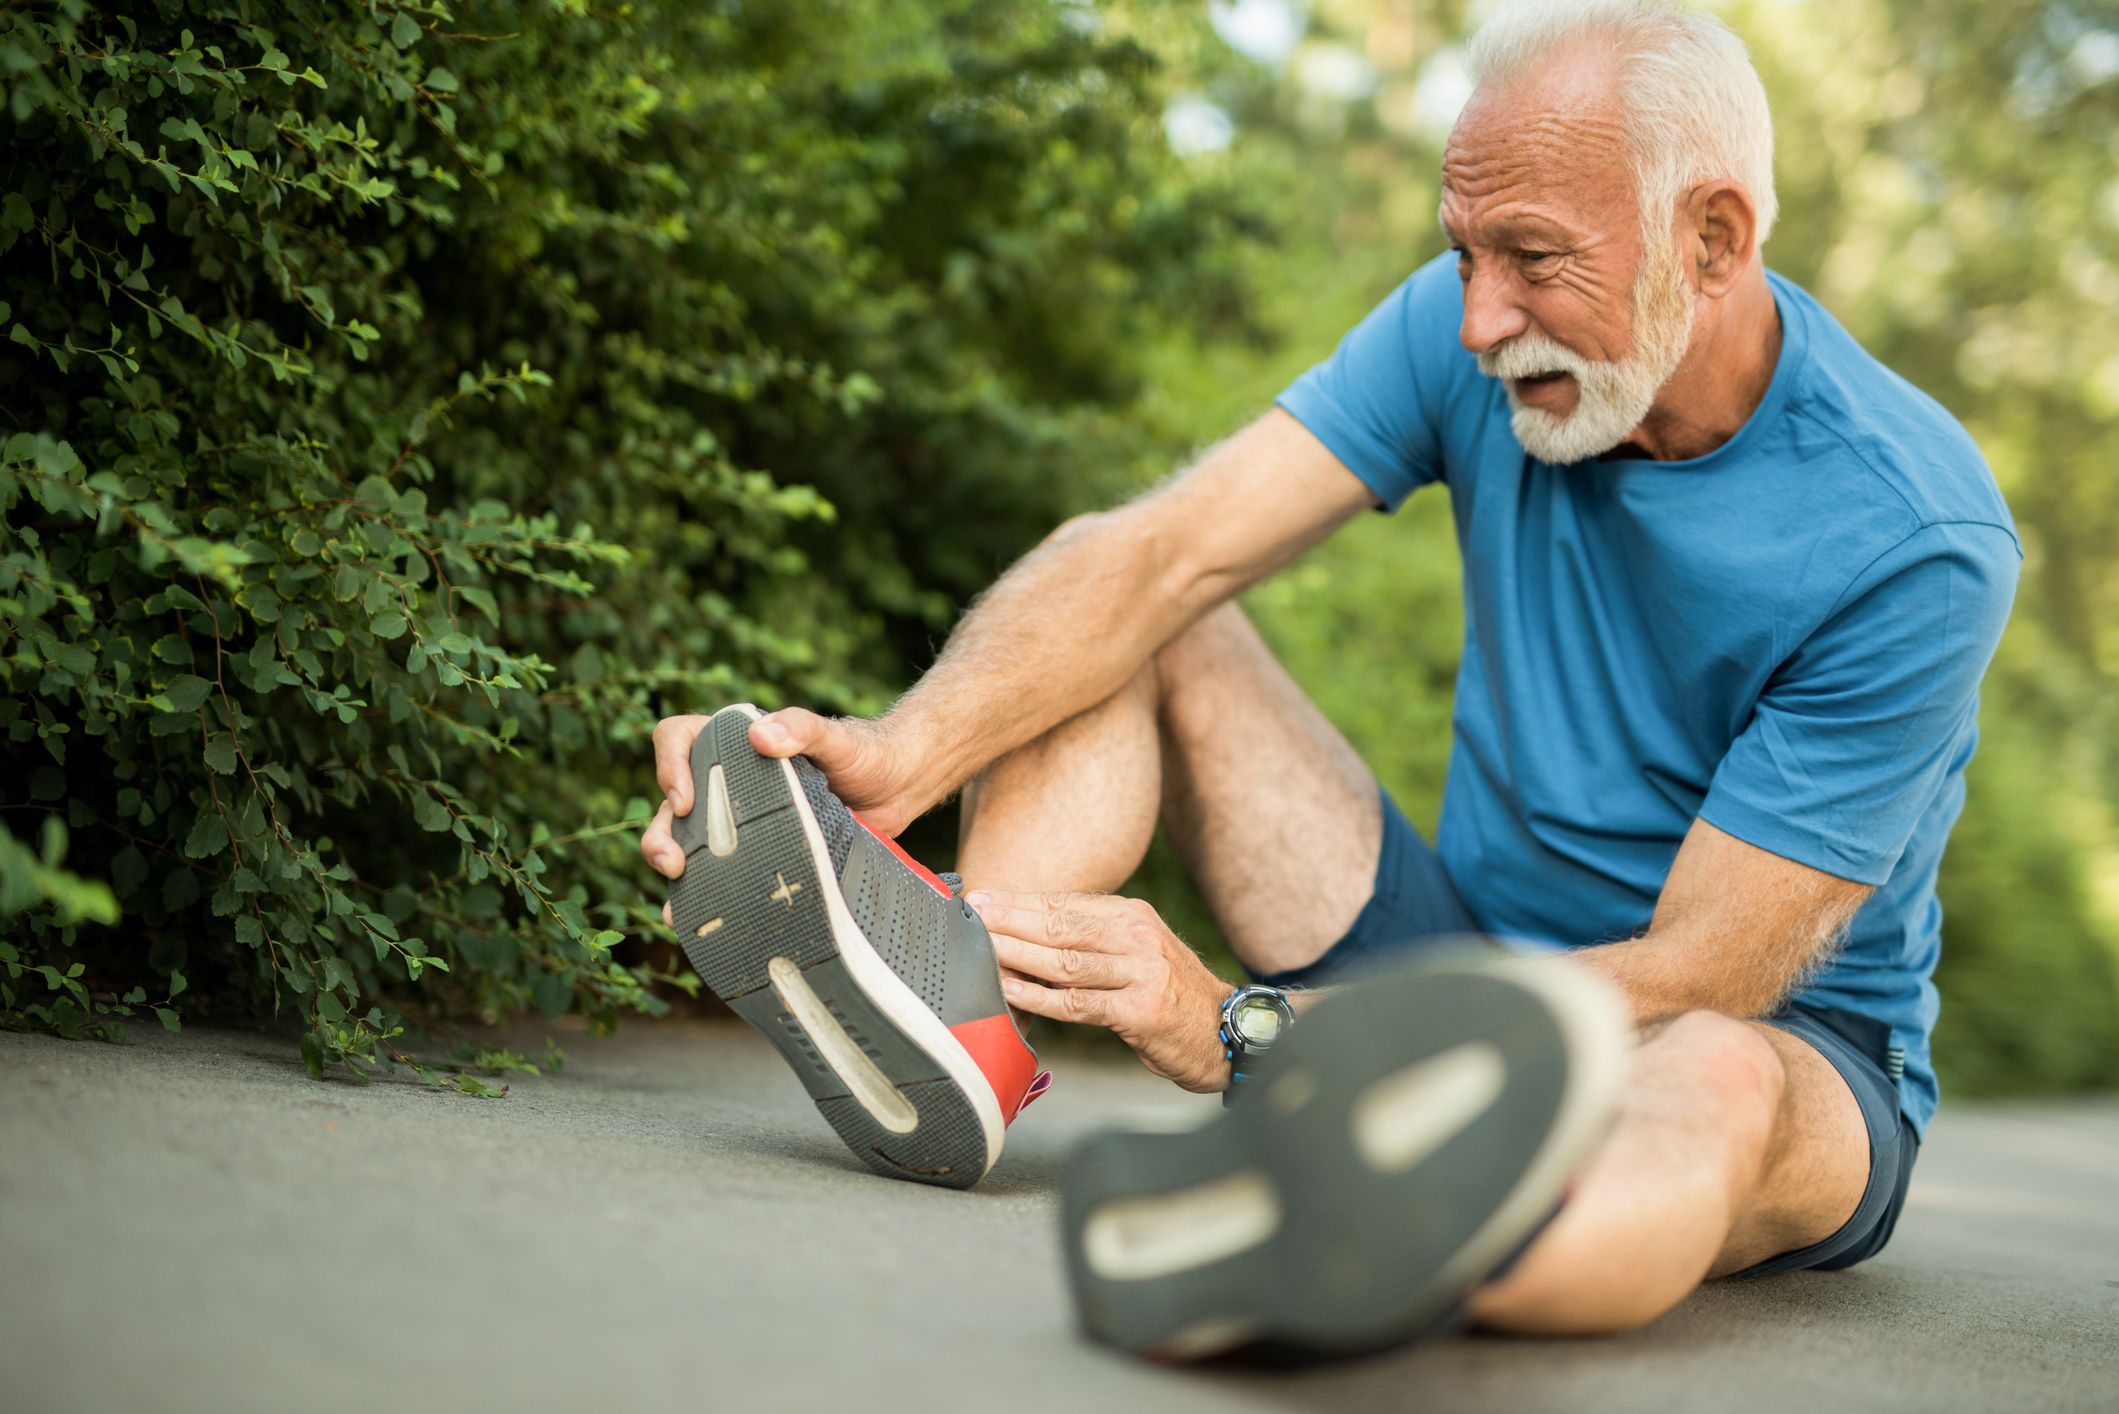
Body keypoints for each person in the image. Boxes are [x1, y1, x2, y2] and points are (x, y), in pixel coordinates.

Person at [640, 0, 2019, 1356]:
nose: (1481, 320)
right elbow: (1159, 555)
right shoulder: (1479, 330)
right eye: (1463, 252)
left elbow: (1700, 969)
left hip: (1763, 1042)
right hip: (1449, 948)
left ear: (1712, 238)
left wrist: (1237, 1026)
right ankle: (958, 1009)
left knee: (1712, 1074)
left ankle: (1387, 1246)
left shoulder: (1910, 535)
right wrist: (903, 755)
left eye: (1534, 259)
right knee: (1147, 609)